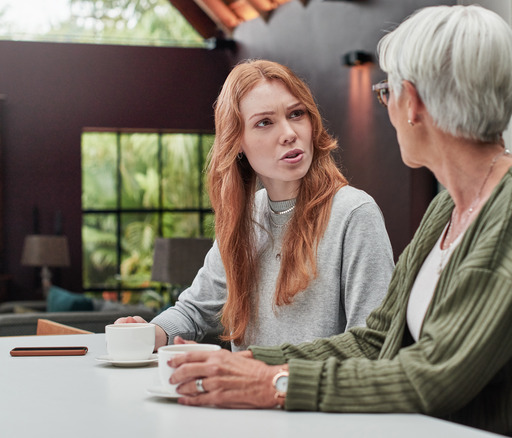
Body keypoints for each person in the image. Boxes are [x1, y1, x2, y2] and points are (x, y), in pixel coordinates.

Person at [164, 5, 512, 437]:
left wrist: (276, 383)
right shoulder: (449, 208)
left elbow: (434, 377)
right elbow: (378, 338)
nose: (386, 106)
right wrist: (253, 365)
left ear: (414, 103)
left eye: (387, 92)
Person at [117, 59, 394, 351]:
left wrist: (270, 377)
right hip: (240, 397)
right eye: (265, 122)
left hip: (309, 395)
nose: (289, 133)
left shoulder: (354, 213)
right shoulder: (247, 217)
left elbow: (372, 345)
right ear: (236, 141)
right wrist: (150, 332)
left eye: (296, 114)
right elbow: (194, 310)